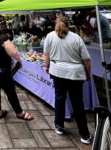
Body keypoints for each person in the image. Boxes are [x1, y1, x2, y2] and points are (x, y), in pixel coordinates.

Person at [43, 15, 92, 145]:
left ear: (56, 23)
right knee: (78, 104)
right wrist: (88, 74)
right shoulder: (76, 38)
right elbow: (86, 59)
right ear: (69, 24)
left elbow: (46, 55)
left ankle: (59, 125)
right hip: (75, 74)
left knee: (59, 99)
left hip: (57, 72)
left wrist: (47, 67)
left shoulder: (50, 36)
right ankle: (84, 134)